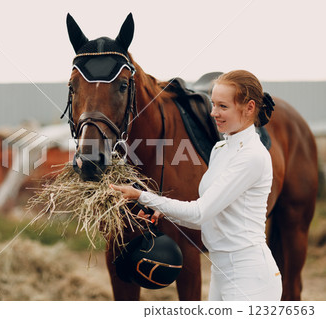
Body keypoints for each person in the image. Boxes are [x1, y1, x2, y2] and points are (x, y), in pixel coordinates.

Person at [110, 70, 282, 301]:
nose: (213, 113)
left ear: (249, 108)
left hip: (249, 275)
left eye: (223, 106)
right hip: (221, 271)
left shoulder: (252, 156)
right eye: (213, 104)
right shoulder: (220, 150)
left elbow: (199, 213)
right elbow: (210, 212)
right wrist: (163, 212)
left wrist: (141, 196)